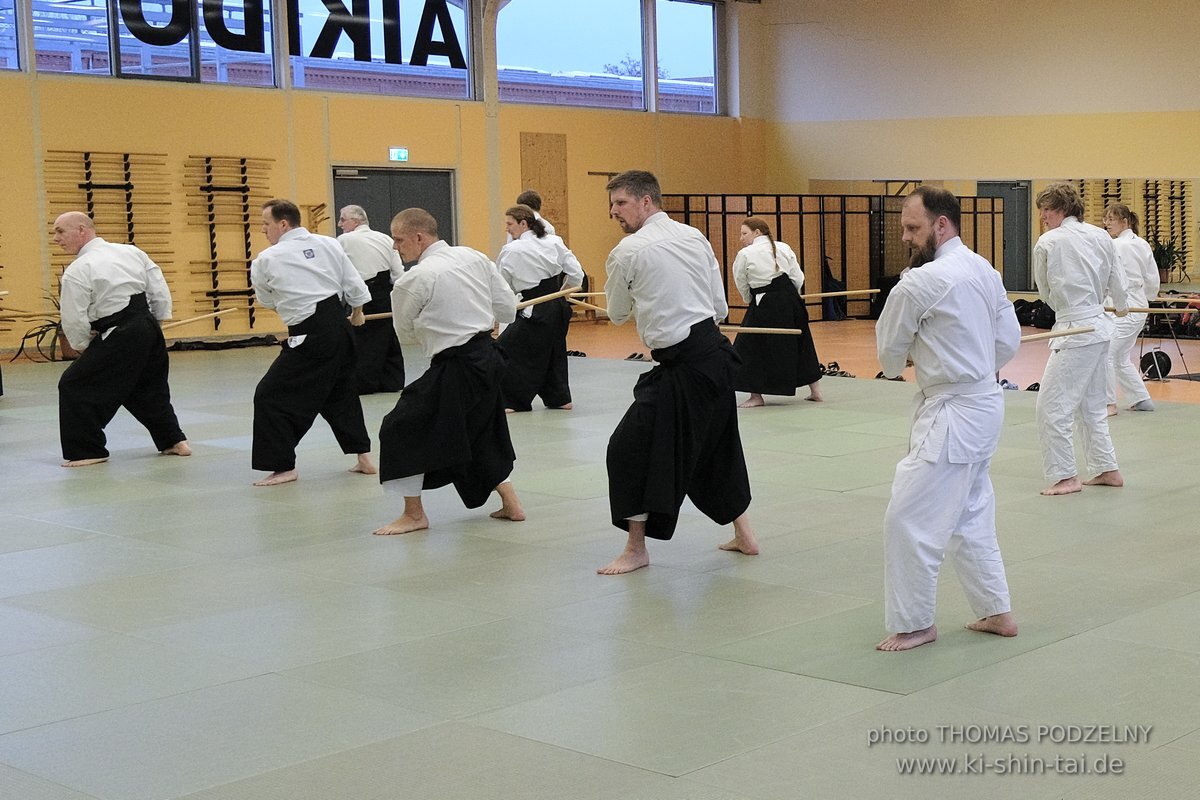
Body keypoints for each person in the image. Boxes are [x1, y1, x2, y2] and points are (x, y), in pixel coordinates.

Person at [875, 187, 1020, 652]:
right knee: (971, 511)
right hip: (985, 401)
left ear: (942, 225)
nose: (905, 237)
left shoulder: (920, 283)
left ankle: (916, 621)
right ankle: (996, 610)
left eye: (913, 228)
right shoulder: (985, 269)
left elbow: (890, 358)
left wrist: (930, 361)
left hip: (953, 411)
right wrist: (968, 362)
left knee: (908, 517)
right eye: (903, 228)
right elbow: (1008, 342)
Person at [599, 170, 758, 575]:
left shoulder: (627, 252)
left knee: (625, 449)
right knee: (716, 445)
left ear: (646, 201)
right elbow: (720, 307)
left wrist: (641, 299)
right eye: (612, 203)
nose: (613, 211)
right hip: (715, 356)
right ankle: (744, 534)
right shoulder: (693, 236)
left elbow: (616, 314)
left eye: (621, 202)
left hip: (685, 366)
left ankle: (636, 549)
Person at [373, 208, 525, 535]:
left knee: (398, 427)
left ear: (418, 237)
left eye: (399, 239)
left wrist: (437, 334)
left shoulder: (414, 279)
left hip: (457, 364)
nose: (396, 247)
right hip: (489, 357)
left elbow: (405, 333)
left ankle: (413, 514)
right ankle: (512, 504)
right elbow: (507, 309)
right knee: (480, 429)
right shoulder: (473, 257)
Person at [250, 199, 377, 486]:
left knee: (269, 395)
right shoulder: (330, 243)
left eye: (266, 224)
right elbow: (352, 282)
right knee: (339, 393)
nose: (262, 230)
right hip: (340, 326)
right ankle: (364, 458)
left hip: (310, 333)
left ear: (283, 224)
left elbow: (267, 299)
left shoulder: (266, 259)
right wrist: (357, 313)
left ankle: (283, 467)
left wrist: (294, 310)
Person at [52, 211, 190, 467]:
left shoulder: (79, 269)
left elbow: (73, 318)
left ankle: (87, 450)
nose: (56, 239)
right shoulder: (130, 252)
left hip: (121, 332)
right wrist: (154, 325)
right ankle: (174, 440)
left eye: (61, 231)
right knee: (146, 387)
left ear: (82, 230)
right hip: (147, 325)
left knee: (73, 384)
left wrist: (84, 346)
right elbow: (158, 289)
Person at [1033, 182, 1129, 496]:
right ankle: (1106, 468)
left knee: (1051, 406)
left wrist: (1069, 308)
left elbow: (1045, 293)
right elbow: (1118, 278)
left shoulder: (1048, 242)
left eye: (1047, 209)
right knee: (1090, 406)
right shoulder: (1102, 236)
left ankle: (1065, 476)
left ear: (1061, 209)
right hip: (1100, 327)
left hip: (1075, 330)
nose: (1043, 216)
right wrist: (1122, 304)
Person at [495, 204, 585, 412]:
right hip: (558, 307)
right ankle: (559, 397)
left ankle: (512, 400)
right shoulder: (554, 242)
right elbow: (576, 275)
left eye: (510, 224)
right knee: (553, 350)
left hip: (533, 307)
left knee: (505, 348)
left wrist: (503, 308)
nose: (507, 228)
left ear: (523, 223)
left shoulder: (512, 250)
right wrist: (563, 293)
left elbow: (503, 285)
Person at [731, 216, 823, 406]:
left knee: (749, 345)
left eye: (744, 233)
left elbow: (741, 281)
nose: (741, 238)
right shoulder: (784, 247)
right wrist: (791, 297)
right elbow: (798, 277)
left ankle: (756, 396)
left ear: (757, 233)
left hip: (764, 301)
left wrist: (751, 301)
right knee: (802, 341)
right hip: (791, 299)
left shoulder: (746, 253)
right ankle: (816, 391)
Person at [337, 204, 406, 394]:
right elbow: (398, 273)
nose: (339, 223)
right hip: (385, 293)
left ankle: (363, 384)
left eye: (343, 219)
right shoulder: (385, 238)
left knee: (363, 341)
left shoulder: (343, 240)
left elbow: (340, 274)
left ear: (356, 221)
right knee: (387, 338)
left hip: (362, 295)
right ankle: (392, 381)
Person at [1102, 203, 1158, 414]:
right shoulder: (1142, 244)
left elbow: (1112, 278)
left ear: (1124, 222)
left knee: (1106, 353)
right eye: (1105, 219)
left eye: (1111, 219)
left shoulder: (1116, 246)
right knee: (1119, 357)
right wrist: (1147, 297)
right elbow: (1152, 279)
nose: (1107, 223)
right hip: (1138, 304)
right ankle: (1141, 399)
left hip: (1124, 306)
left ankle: (1109, 403)